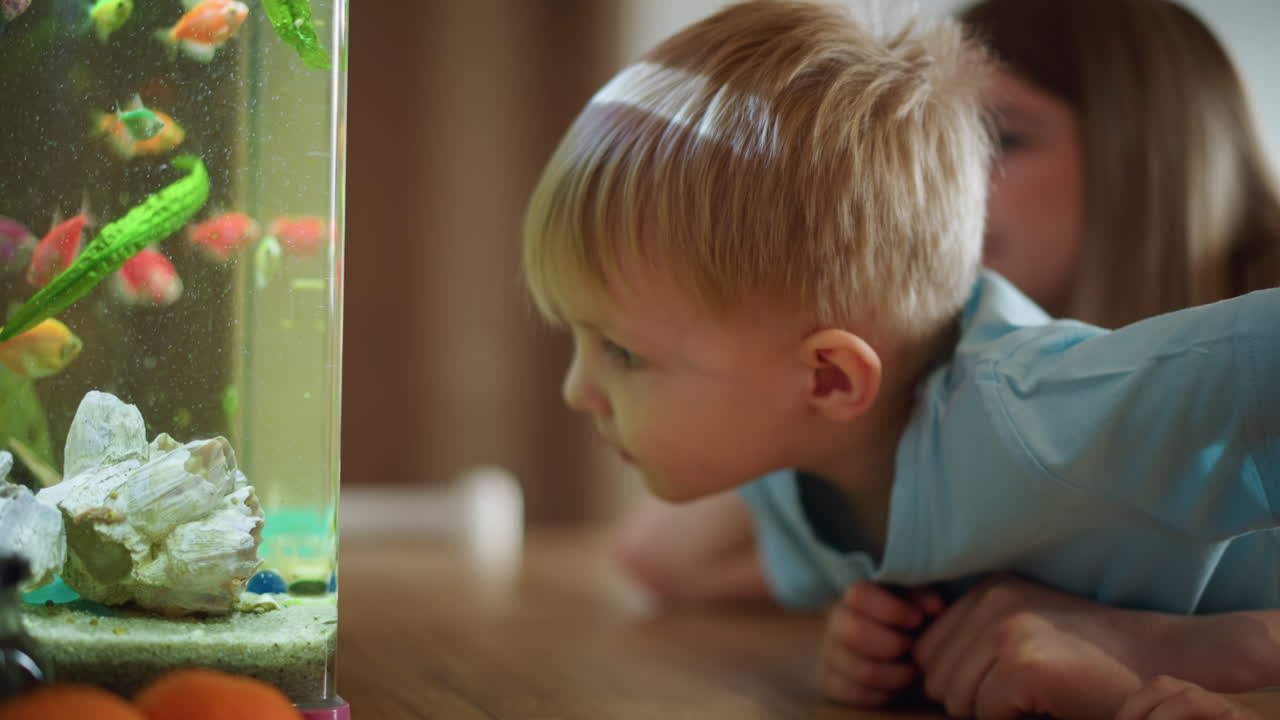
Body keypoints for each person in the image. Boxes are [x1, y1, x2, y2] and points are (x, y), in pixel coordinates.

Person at [521, 2, 1280, 719]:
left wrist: (1223, 645)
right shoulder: (813, 458)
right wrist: (880, 637)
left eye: (999, 137)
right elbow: (662, 555)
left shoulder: (1040, 408)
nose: (576, 392)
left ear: (830, 378)